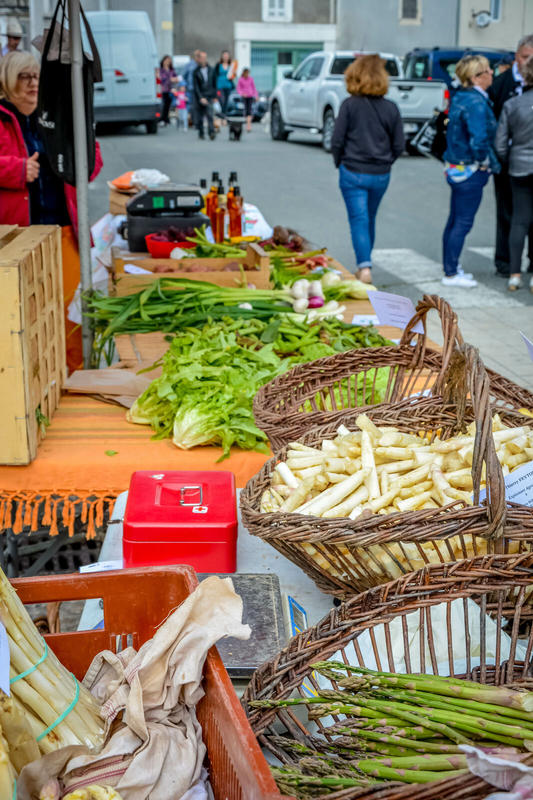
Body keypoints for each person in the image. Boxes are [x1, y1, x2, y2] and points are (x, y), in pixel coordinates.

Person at [0, 51, 103, 372]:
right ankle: (32, 382)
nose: (33, 83)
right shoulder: (2, 117)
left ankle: (74, 378)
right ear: (7, 80)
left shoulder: (56, 116)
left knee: (71, 310)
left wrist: (84, 140)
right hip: (17, 235)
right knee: (23, 313)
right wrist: (15, 170)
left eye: (36, 77)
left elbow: (91, 167)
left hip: (63, 229)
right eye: (24, 77)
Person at [330, 54, 404, 284]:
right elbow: (399, 144)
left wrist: (339, 162)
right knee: (369, 218)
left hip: (352, 170)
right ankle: (365, 263)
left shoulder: (349, 105)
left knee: (358, 219)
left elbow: (337, 140)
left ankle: (364, 267)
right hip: (380, 173)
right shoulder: (391, 108)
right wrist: (386, 161)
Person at [441, 55, 499, 288]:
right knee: (463, 222)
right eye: (487, 71)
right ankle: (452, 273)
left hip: (455, 167)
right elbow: (479, 138)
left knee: (455, 219)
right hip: (470, 169)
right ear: (476, 77)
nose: (492, 73)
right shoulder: (475, 102)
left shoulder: (462, 97)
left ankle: (451, 268)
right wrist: (484, 162)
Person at [489, 34, 533, 278]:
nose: (529, 63)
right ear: (517, 56)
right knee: (507, 213)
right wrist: (501, 158)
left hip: (521, 159)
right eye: (526, 57)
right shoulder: (500, 84)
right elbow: (493, 124)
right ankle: (504, 262)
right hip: (507, 162)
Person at [193, 51, 216, 140]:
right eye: (201, 58)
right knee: (200, 116)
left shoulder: (211, 70)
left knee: (210, 114)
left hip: (209, 95)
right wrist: (200, 97)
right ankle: (201, 132)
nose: (203, 60)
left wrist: (215, 97)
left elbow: (214, 84)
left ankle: (211, 132)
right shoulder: (195, 72)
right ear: (199, 59)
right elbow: (196, 87)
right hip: (200, 96)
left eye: (204, 58)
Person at [236, 68, 258, 133]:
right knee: (246, 110)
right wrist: (242, 94)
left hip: (250, 96)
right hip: (244, 97)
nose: (247, 74)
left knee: (250, 110)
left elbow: (254, 88)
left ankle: (249, 125)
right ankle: (247, 124)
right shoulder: (241, 79)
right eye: (246, 73)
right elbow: (238, 88)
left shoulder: (251, 79)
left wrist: (256, 96)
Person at [215, 50, 234, 119]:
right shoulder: (218, 65)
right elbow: (215, 75)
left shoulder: (231, 65)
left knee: (226, 102)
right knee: (221, 101)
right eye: (224, 55)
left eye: (227, 56)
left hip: (228, 86)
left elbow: (233, 75)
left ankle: (224, 117)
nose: (226, 57)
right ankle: (221, 116)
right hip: (219, 86)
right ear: (222, 56)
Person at [159, 55, 177, 126]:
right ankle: (162, 119)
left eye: (169, 61)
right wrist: (170, 79)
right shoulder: (161, 70)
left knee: (168, 105)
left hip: (170, 90)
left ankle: (166, 118)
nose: (167, 62)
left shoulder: (172, 70)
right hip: (163, 89)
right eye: (166, 61)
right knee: (163, 105)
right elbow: (161, 79)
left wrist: (174, 80)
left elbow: (176, 77)